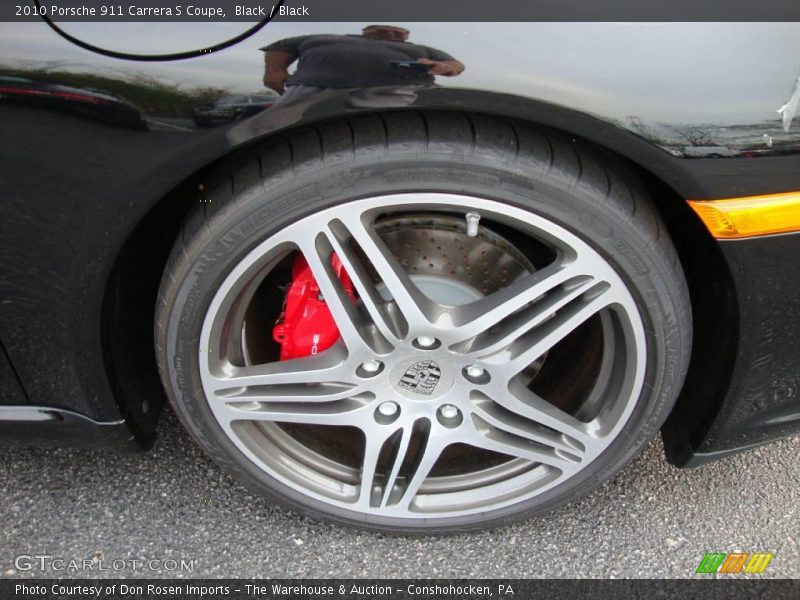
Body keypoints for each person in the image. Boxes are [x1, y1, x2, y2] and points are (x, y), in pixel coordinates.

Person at [261, 25, 464, 96]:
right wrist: (274, 70)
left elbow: (457, 65)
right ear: (366, 30)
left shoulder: (420, 49)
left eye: (398, 31)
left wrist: (445, 67)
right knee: (266, 127)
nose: (391, 33)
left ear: (407, 36)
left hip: (398, 92)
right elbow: (281, 46)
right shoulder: (323, 38)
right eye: (383, 29)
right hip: (312, 89)